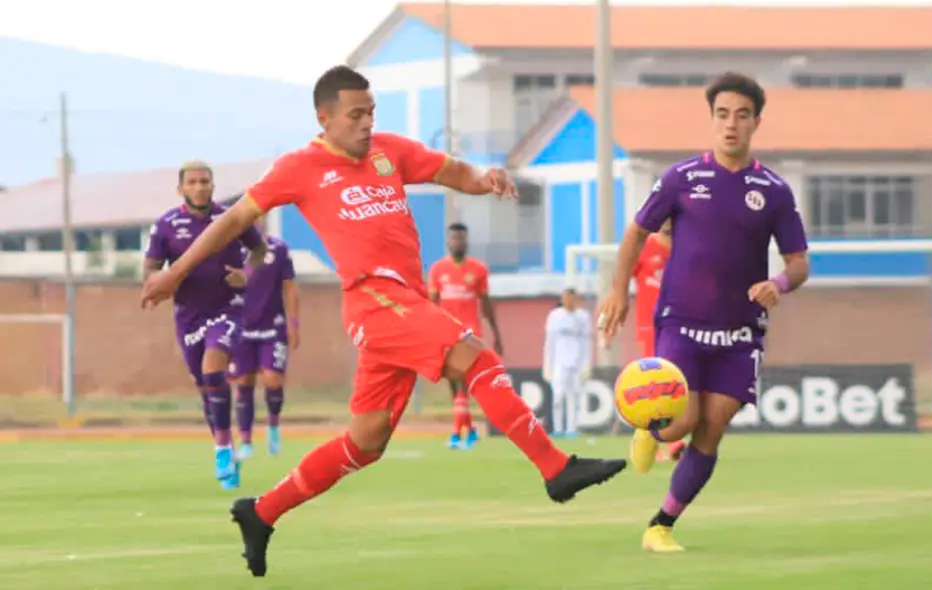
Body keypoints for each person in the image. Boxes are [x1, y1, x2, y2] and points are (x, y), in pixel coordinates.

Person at [140, 65, 626, 577]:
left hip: (403, 302)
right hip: (373, 298)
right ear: (324, 118)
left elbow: (450, 171)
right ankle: (555, 468)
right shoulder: (299, 167)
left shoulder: (388, 151)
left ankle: (261, 512)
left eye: (371, 112)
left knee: (366, 442)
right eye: (356, 114)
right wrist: (176, 273)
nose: (367, 122)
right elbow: (236, 219)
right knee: (476, 358)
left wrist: (484, 180)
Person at [596, 72, 810, 553]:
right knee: (680, 421)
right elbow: (636, 233)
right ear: (712, 119)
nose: (731, 124)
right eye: (722, 114)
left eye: (741, 115)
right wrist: (619, 292)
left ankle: (660, 526)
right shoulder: (682, 178)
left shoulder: (774, 190)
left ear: (756, 122)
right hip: (683, 321)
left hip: (740, 332)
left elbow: (799, 263)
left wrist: (777, 283)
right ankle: (650, 427)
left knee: (713, 427)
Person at [143, 161, 266, 490]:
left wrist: (247, 274)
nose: (199, 187)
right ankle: (225, 449)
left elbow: (259, 249)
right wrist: (156, 285)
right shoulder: (166, 225)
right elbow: (151, 269)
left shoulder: (229, 218)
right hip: (189, 316)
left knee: (214, 370)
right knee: (206, 389)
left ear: (213, 185)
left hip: (228, 309)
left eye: (205, 181)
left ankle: (223, 450)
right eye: (193, 182)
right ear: (180, 188)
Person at [228, 215, 300, 459]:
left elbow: (290, 286)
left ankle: (273, 426)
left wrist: (294, 323)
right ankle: (246, 440)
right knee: (244, 381)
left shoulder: (278, 249)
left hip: (273, 326)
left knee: (273, 379)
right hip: (241, 326)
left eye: (259, 215)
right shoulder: (231, 248)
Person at [428, 222, 503, 450]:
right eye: (455, 238)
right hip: (446, 333)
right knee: (454, 384)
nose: (459, 242)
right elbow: (432, 304)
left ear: (466, 241)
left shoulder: (478, 269)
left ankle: (456, 434)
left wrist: (496, 333)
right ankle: (469, 430)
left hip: (469, 333)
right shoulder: (438, 270)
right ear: (448, 242)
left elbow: (486, 303)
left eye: (462, 238)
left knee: (462, 381)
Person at [631, 221, 686, 462]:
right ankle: (667, 442)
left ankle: (660, 438)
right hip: (651, 326)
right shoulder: (645, 247)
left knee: (677, 380)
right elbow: (621, 277)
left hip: (680, 323)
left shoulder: (685, 246)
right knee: (655, 381)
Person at [542, 288, 592, 438]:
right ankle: (558, 428)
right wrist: (547, 364)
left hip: (576, 363)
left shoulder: (583, 317)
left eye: (572, 298)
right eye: (567, 298)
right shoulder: (555, 316)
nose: (569, 302)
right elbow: (549, 342)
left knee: (574, 396)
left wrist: (586, 363)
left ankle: (571, 429)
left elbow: (586, 342)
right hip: (559, 362)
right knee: (557, 396)